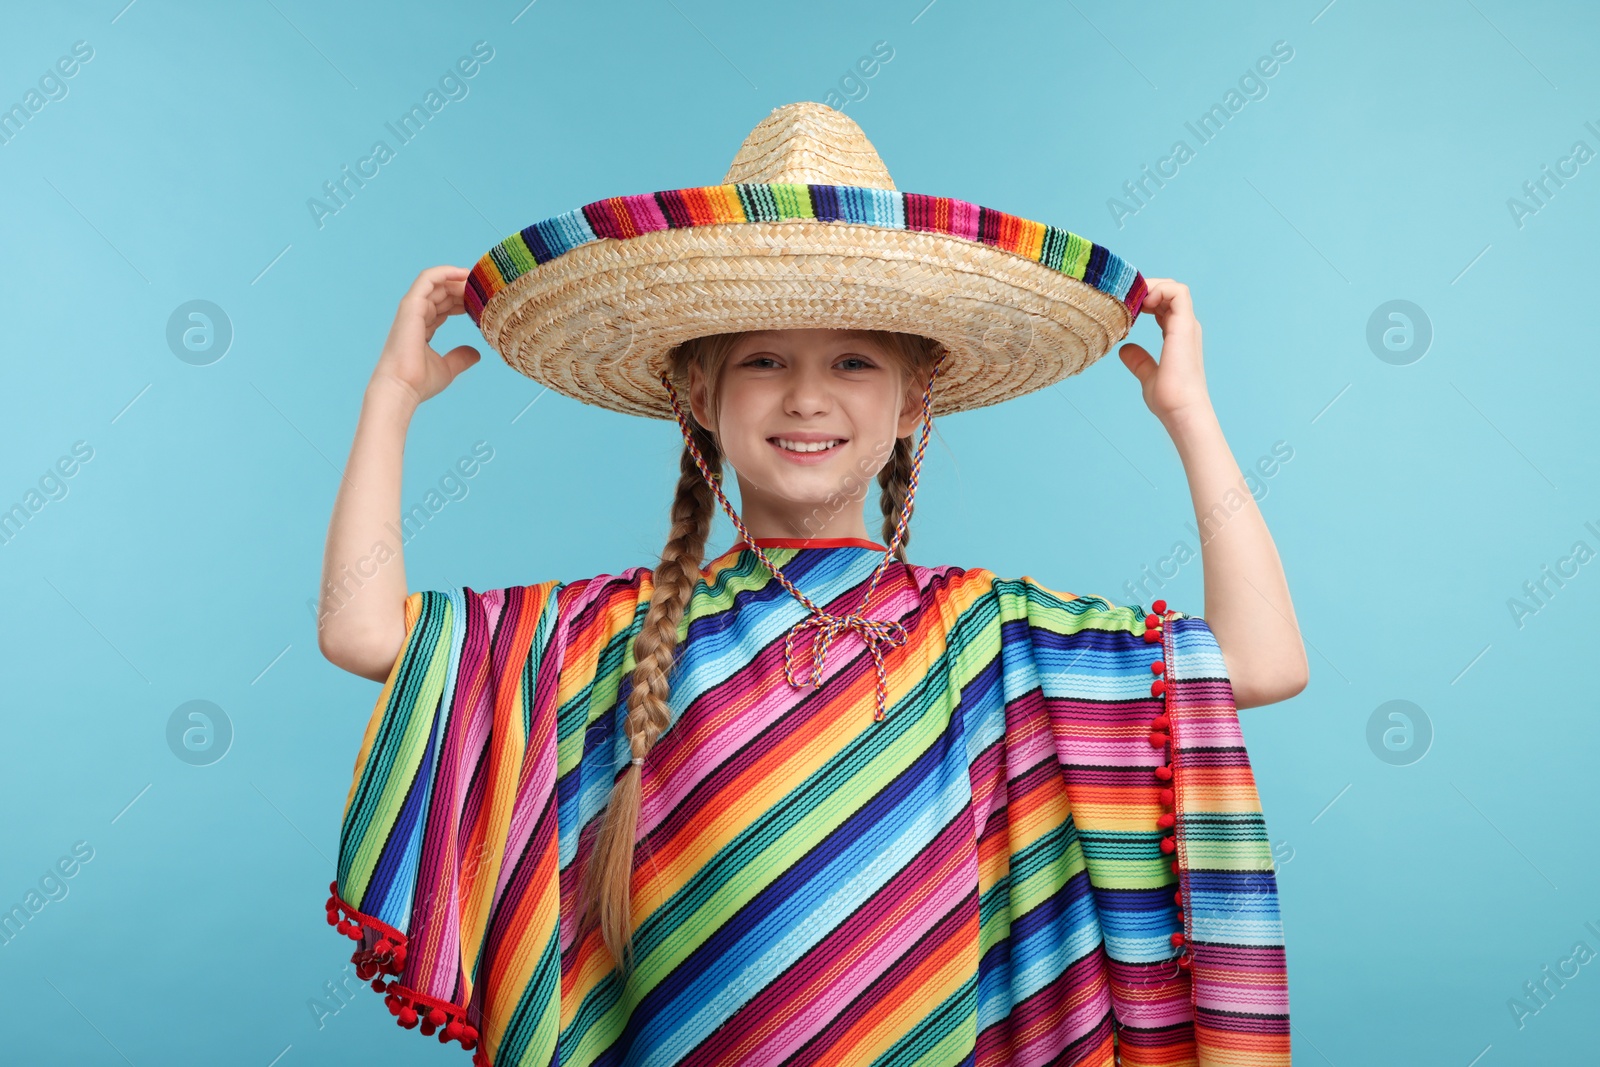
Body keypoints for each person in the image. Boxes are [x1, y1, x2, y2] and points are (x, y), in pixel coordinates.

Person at [316, 103, 1305, 1067]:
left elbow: (1261, 661)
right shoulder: (608, 632)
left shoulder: (994, 637)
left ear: (914, 397)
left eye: (851, 360)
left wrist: (1188, 414)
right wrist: (389, 401)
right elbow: (364, 633)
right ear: (698, 396)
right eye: (761, 360)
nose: (804, 395)